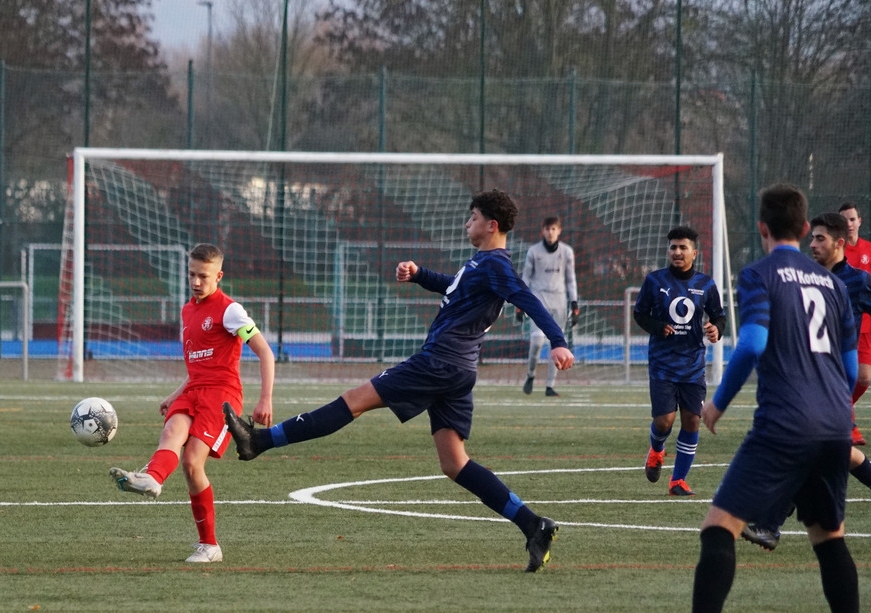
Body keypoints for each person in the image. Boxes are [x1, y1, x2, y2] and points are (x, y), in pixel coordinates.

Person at [223, 189, 575, 572]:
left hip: (439, 363)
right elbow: (455, 288)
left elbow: (528, 298)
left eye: (473, 217)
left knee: (354, 401)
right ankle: (533, 525)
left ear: (491, 225)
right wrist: (420, 275)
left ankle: (259, 440)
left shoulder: (496, 266)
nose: (466, 223)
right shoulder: (483, 263)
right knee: (454, 462)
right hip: (458, 370)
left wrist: (557, 341)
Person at [641, 184, 871, 613]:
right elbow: (853, 369)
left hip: (785, 423)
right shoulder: (834, 284)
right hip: (835, 425)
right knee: (829, 539)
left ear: (763, 228)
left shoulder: (759, 275)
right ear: (806, 229)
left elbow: (751, 345)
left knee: (718, 526)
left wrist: (718, 404)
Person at [741, 212, 871, 550]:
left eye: (820, 238)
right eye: (812, 237)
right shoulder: (806, 276)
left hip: (832, 380)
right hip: (806, 375)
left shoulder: (857, 280)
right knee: (832, 450)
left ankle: (771, 525)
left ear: (839, 243)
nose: (813, 244)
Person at [108, 243, 275, 563]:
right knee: (171, 432)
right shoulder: (187, 310)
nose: (196, 282)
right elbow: (198, 364)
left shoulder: (230, 311)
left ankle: (210, 546)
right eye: (192, 275)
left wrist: (265, 398)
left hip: (222, 395)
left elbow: (265, 352)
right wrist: (175, 395)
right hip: (193, 390)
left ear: (219, 276)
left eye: (204, 276)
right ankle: (152, 478)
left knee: (192, 463)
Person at [633, 226, 725, 496]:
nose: (677, 252)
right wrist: (657, 326)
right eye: (673, 247)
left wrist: (716, 329)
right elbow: (640, 314)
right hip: (662, 363)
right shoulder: (654, 281)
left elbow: (719, 316)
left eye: (683, 247)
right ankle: (656, 449)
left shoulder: (706, 284)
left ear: (694, 253)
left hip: (693, 365)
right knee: (664, 421)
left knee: (692, 420)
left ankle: (678, 481)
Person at [839, 201, 871, 446]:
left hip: (865, 322)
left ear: (859, 221)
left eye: (852, 219)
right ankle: (849, 425)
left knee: (864, 378)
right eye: (844, 219)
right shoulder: (835, 248)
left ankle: (839, 410)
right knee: (845, 375)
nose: (848, 224)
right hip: (841, 323)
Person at [518, 216, 578, 397]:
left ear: (559, 231)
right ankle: (531, 375)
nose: (550, 232)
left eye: (553, 229)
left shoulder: (566, 252)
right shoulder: (533, 252)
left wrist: (574, 304)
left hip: (559, 302)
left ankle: (550, 385)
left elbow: (570, 279)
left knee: (557, 345)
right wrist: (520, 303)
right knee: (537, 341)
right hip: (538, 301)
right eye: (547, 229)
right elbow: (526, 277)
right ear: (542, 231)